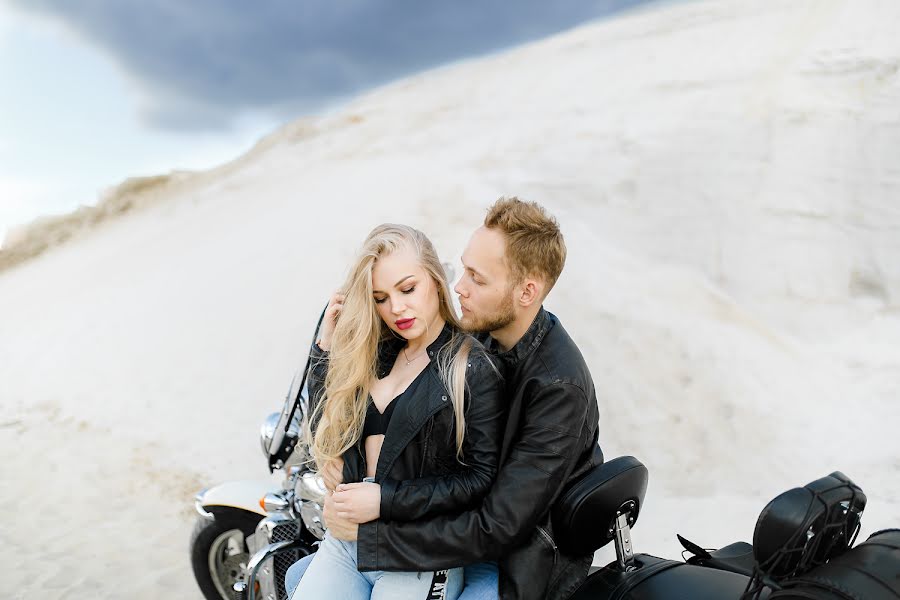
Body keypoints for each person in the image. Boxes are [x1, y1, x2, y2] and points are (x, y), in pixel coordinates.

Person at [288, 198, 602, 600]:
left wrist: (375, 531)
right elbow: (343, 419)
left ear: (527, 291)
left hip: (516, 556)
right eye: (463, 268)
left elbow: (497, 522)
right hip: (424, 531)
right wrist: (327, 353)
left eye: (477, 278)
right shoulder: (479, 331)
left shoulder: (558, 388)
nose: (459, 286)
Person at [291, 224, 505, 600]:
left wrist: (383, 498)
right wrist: (324, 349)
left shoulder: (471, 367)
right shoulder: (375, 354)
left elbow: (480, 479)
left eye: (408, 289)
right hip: (347, 543)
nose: (396, 309)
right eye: (380, 298)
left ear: (435, 281)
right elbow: (327, 426)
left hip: (417, 552)